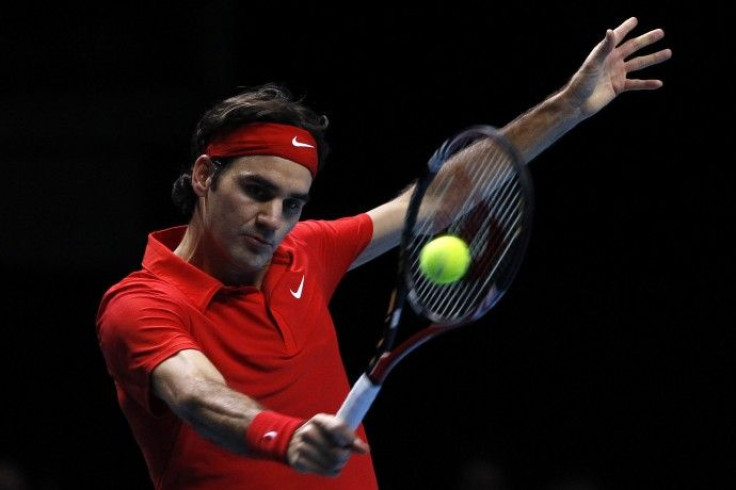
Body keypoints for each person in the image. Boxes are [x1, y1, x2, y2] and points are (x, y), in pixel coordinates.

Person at [95, 16, 671, 490]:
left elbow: (439, 201)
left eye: (293, 203)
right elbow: (197, 394)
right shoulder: (142, 303)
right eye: (256, 191)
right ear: (203, 175)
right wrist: (285, 436)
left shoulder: (307, 250)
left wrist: (569, 106)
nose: (274, 220)